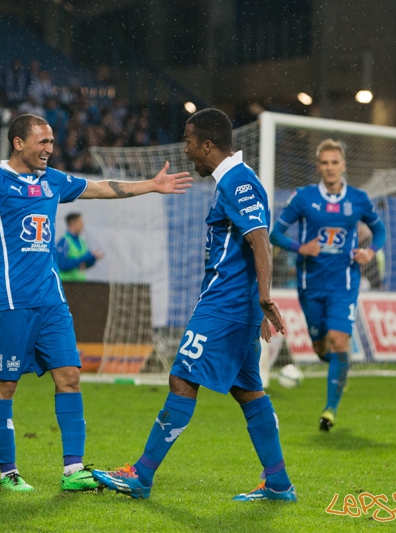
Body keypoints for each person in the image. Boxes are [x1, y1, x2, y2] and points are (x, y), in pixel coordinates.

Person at [0, 114, 192, 493]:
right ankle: (8, 472)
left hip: (51, 301)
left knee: (70, 377)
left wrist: (152, 186)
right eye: (42, 142)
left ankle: (73, 470)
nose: (49, 148)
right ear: (18, 143)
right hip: (9, 302)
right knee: (5, 384)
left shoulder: (52, 181)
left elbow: (101, 188)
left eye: (52, 142)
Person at [92, 108, 296, 502]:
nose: (185, 151)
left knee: (182, 379)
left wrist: (264, 298)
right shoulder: (232, 181)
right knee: (248, 391)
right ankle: (278, 483)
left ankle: (141, 475)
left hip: (224, 306)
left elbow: (260, 241)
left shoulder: (238, 182)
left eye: (188, 142)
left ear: (207, 145)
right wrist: (255, 304)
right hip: (235, 306)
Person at [269, 139, 386, 432]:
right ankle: (340, 369)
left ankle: (329, 410)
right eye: (325, 163)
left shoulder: (358, 199)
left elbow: (379, 230)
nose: (330, 167)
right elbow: (275, 233)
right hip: (310, 283)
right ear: (318, 166)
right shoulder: (304, 197)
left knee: (339, 340)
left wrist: (370, 252)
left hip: (344, 282)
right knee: (322, 350)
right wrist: (300, 247)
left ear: (343, 165)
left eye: (335, 162)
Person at [55, 213, 103, 281]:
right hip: (66, 283)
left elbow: (83, 265)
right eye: (80, 222)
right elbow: (61, 265)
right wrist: (84, 258)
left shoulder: (82, 242)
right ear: (72, 223)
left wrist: (92, 258)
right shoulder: (64, 241)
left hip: (80, 283)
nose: (83, 225)